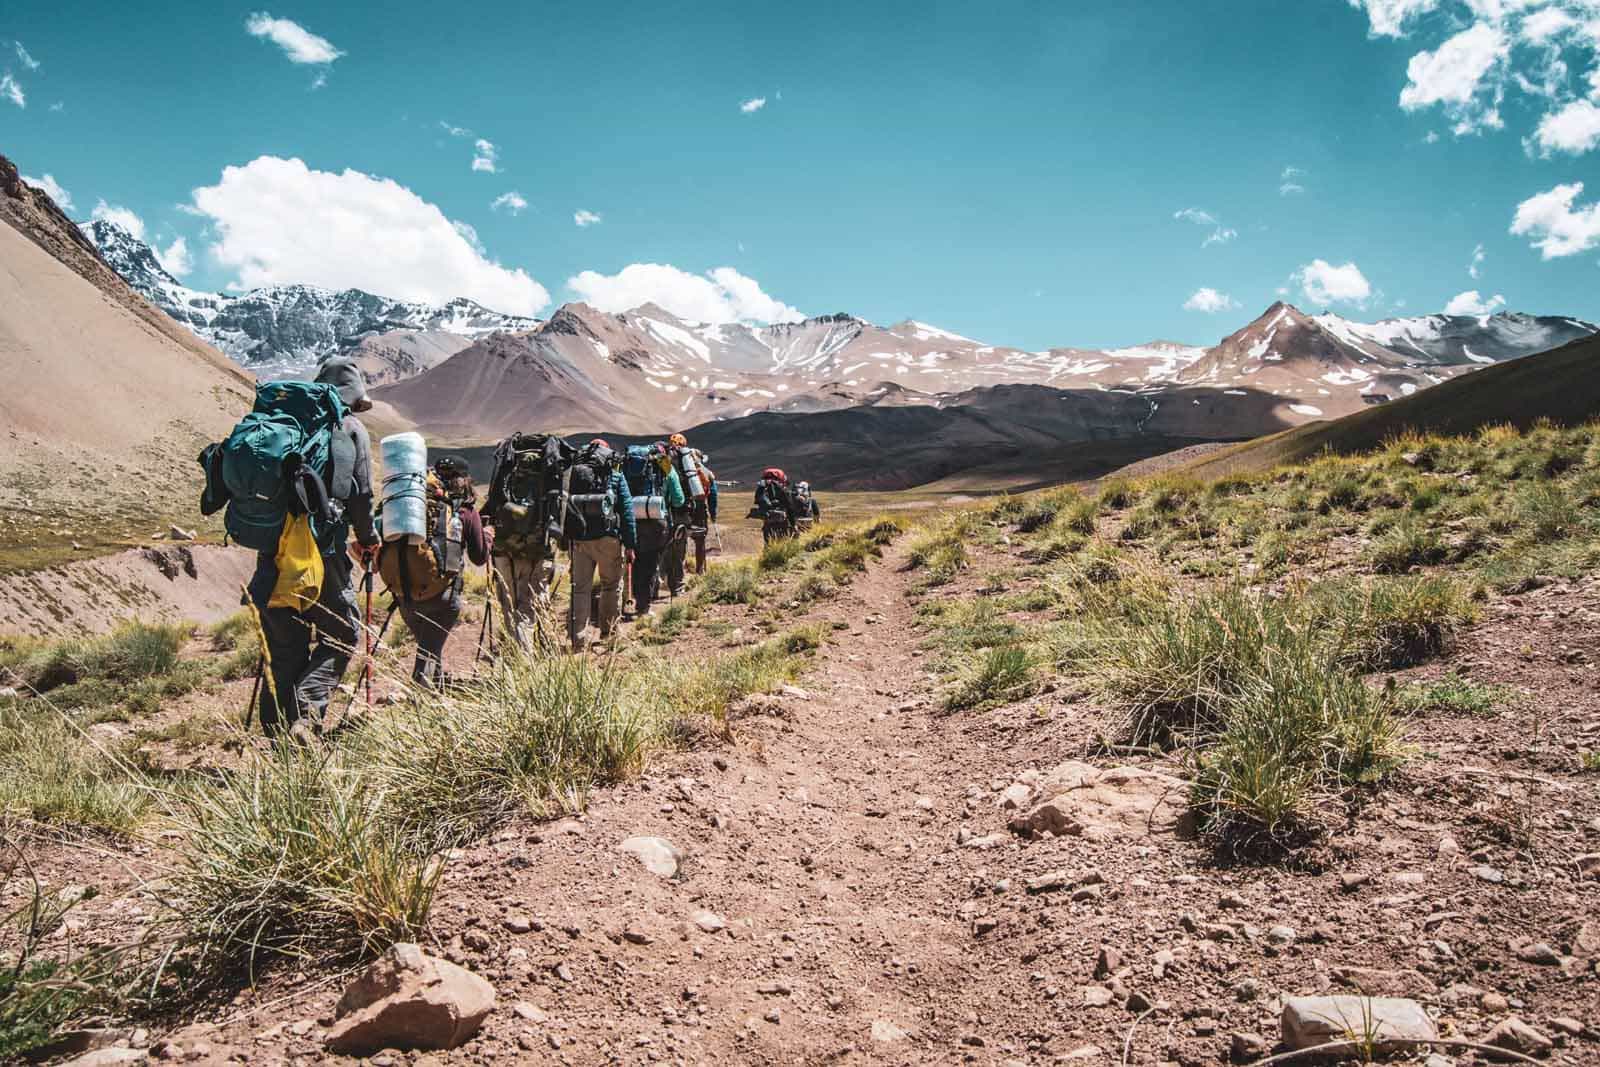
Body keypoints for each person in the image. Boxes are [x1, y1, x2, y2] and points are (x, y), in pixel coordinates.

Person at [247, 357, 379, 737]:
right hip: (323, 551)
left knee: (284, 645)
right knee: (343, 632)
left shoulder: (280, 425)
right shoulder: (350, 428)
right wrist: (368, 540)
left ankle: (279, 743)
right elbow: (361, 496)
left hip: (272, 552)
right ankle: (305, 718)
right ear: (354, 396)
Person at [392, 456, 489, 686]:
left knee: (430, 643)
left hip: (404, 594)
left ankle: (435, 685)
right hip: (443, 598)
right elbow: (479, 557)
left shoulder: (411, 506)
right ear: (463, 481)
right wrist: (488, 536)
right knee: (429, 647)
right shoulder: (465, 513)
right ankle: (422, 692)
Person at [483, 433, 565, 652]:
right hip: (532, 549)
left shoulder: (505, 472)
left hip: (502, 547)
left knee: (507, 601)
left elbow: (490, 506)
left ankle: (513, 648)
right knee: (527, 604)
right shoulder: (547, 477)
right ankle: (525, 657)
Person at [564, 438, 636, 651]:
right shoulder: (613, 474)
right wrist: (630, 544)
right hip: (608, 537)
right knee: (611, 586)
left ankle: (578, 639)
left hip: (579, 539)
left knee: (580, 589)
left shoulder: (574, 474)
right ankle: (608, 634)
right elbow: (627, 510)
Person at [621, 442, 685, 618]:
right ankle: (643, 607)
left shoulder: (627, 466)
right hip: (656, 521)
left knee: (634, 560)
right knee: (650, 563)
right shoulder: (666, 469)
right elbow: (679, 499)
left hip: (630, 519)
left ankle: (629, 599)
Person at [754, 467, 798, 544]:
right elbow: (789, 507)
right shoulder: (783, 491)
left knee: (769, 544)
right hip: (784, 525)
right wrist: (794, 525)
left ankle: (769, 555)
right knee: (785, 544)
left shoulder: (762, 490)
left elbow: (758, 502)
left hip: (768, 525)